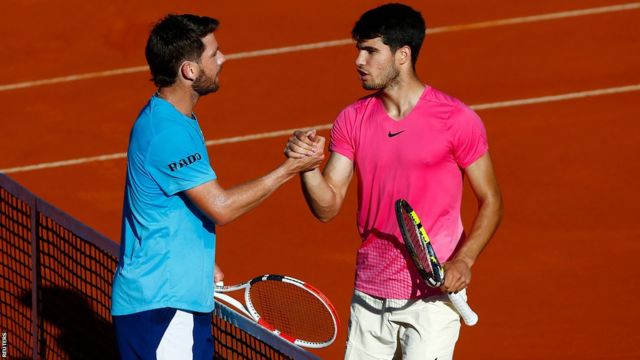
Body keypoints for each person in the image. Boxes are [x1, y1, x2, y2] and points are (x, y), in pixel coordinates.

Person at [285, 3, 503, 359]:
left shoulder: (456, 119)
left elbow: (492, 199)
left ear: (402, 55)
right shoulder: (352, 119)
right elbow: (327, 207)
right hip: (370, 297)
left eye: (370, 51)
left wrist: (465, 259)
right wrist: (308, 166)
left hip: (432, 301)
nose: (358, 60)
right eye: (359, 49)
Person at [111, 14, 323, 360]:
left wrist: (199, 263)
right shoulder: (169, 132)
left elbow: (169, 206)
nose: (222, 59)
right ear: (189, 71)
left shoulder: (175, 119)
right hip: (162, 309)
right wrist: (291, 169)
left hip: (173, 300)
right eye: (214, 54)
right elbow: (220, 206)